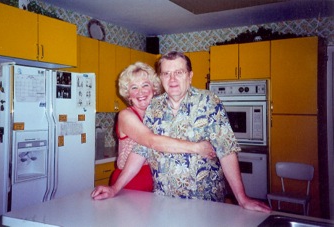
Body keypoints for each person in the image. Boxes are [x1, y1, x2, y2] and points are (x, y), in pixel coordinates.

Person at [91, 53, 271, 213]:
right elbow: (141, 150)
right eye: (167, 73)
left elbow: (226, 150)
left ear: (190, 76)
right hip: (163, 200)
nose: (172, 79)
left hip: (204, 201)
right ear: (160, 78)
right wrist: (115, 188)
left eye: (179, 72)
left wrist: (242, 198)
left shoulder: (208, 102)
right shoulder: (153, 107)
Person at [109, 62, 216, 192]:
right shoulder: (126, 116)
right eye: (134, 88)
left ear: (154, 89)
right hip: (130, 183)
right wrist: (197, 147)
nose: (140, 92)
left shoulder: (160, 115)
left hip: (158, 183)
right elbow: (151, 141)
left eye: (145, 85)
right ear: (128, 95)